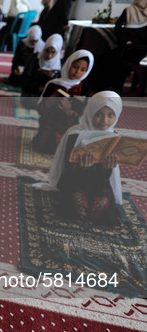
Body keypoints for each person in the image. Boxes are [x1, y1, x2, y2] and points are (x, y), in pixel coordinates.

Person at [44, 91, 123, 226]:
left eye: (111, 115)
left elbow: (107, 180)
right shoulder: (74, 134)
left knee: (107, 215)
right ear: (90, 112)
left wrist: (106, 168)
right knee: (73, 209)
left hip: (99, 184)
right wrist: (82, 169)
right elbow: (66, 172)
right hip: (75, 182)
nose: (105, 121)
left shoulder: (113, 137)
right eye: (99, 114)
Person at [33, 50, 93, 154]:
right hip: (49, 124)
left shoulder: (84, 90)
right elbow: (40, 110)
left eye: (83, 70)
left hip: (69, 127)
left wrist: (69, 113)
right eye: (75, 66)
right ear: (68, 64)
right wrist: (49, 103)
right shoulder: (53, 84)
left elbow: (82, 117)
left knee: (68, 150)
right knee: (43, 147)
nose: (77, 72)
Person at [21, 33, 63, 98]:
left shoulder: (60, 65)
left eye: (53, 52)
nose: (49, 56)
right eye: (47, 51)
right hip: (32, 93)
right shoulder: (35, 58)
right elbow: (25, 79)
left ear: (57, 52)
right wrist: (39, 87)